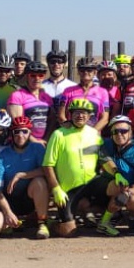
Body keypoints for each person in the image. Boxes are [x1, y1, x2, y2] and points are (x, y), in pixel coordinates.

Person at [42, 99, 104, 238]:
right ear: (70, 115)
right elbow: (47, 165)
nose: (80, 116)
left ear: (89, 116)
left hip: (89, 186)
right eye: (76, 112)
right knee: (69, 231)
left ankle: (95, 214)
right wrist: (56, 188)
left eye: (84, 113)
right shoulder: (59, 134)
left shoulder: (94, 135)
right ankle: (52, 223)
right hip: (67, 191)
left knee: (111, 186)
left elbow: (103, 161)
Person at [0, 115, 50, 238]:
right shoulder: (2, 156)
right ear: (12, 134)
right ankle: (11, 221)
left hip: (28, 197)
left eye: (25, 131)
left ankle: (42, 223)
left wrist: (22, 175)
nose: (21, 135)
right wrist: (8, 212)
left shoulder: (37, 148)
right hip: (8, 199)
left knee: (40, 181)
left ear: (30, 133)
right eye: (17, 132)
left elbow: (46, 171)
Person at [92, 113, 134, 236]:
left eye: (124, 131)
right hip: (110, 185)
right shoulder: (105, 144)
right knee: (119, 186)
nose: (119, 134)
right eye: (116, 131)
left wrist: (128, 193)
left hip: (132, 189)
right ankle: (106, 222)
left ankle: (133, 218)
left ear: (130, 132)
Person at [57, 57, 112, 132]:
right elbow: (61, 115)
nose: (86, 72)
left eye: (89, 70)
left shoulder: (103, 92)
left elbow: (104, 119)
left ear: (95, 72)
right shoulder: (68, 91)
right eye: (82, 70)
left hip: (93, 135)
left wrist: (91, 133)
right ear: (78, 72)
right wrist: (71, 130)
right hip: (72, 133)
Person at [7, 61, 54, 142]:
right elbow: (17, 123)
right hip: (24, 142)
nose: (37, 78)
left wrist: (46, 139)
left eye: (40, 75)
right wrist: (35, 141)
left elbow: (52, 121)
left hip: (44, 142)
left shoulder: (47, 97)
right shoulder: (17, 96)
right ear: (26, 76)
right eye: (32, 75)